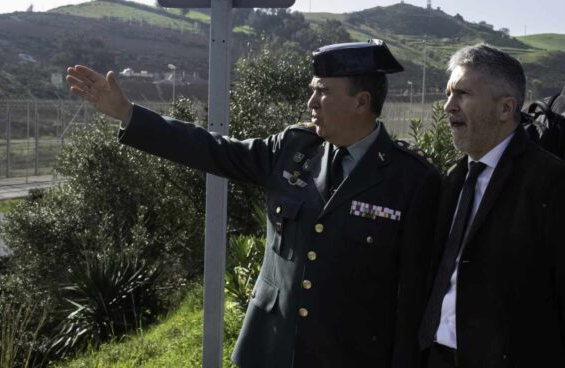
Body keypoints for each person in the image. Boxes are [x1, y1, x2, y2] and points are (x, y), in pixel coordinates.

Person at [67, 39, 440, 368]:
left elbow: (411, 300)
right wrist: (128, 114)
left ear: (361, 102)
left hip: (350, 356)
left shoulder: (412, 180)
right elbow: (211, 149)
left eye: (323, 92)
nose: (311, 102)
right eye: (312, 90)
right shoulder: (294, 149)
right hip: (272, 348)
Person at [418, 44, 565, 368]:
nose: (448, 106)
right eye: (448, 94)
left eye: (463, 94)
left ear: (505, 108)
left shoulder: (551, 184)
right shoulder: (454, 179)